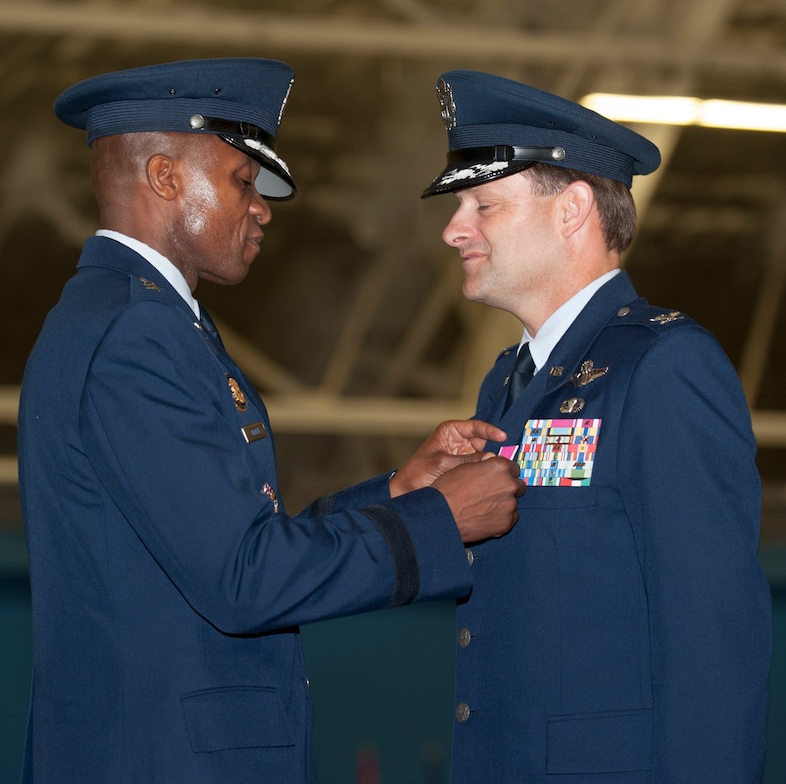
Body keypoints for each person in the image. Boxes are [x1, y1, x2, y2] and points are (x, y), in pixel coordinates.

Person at [16, 58, 524, 783]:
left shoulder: (129, 321)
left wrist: (398, 496)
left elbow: (228, 543)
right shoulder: (138, 337)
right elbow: (244, 580)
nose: (261, 209)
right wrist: (436, 522)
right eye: (241, 182)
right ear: (164, 178)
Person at [420, 70, 773, 783]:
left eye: (483, 204)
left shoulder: (665, 366)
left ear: (573, 209)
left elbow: (711, 643)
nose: (455, 229)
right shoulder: (506, 381)